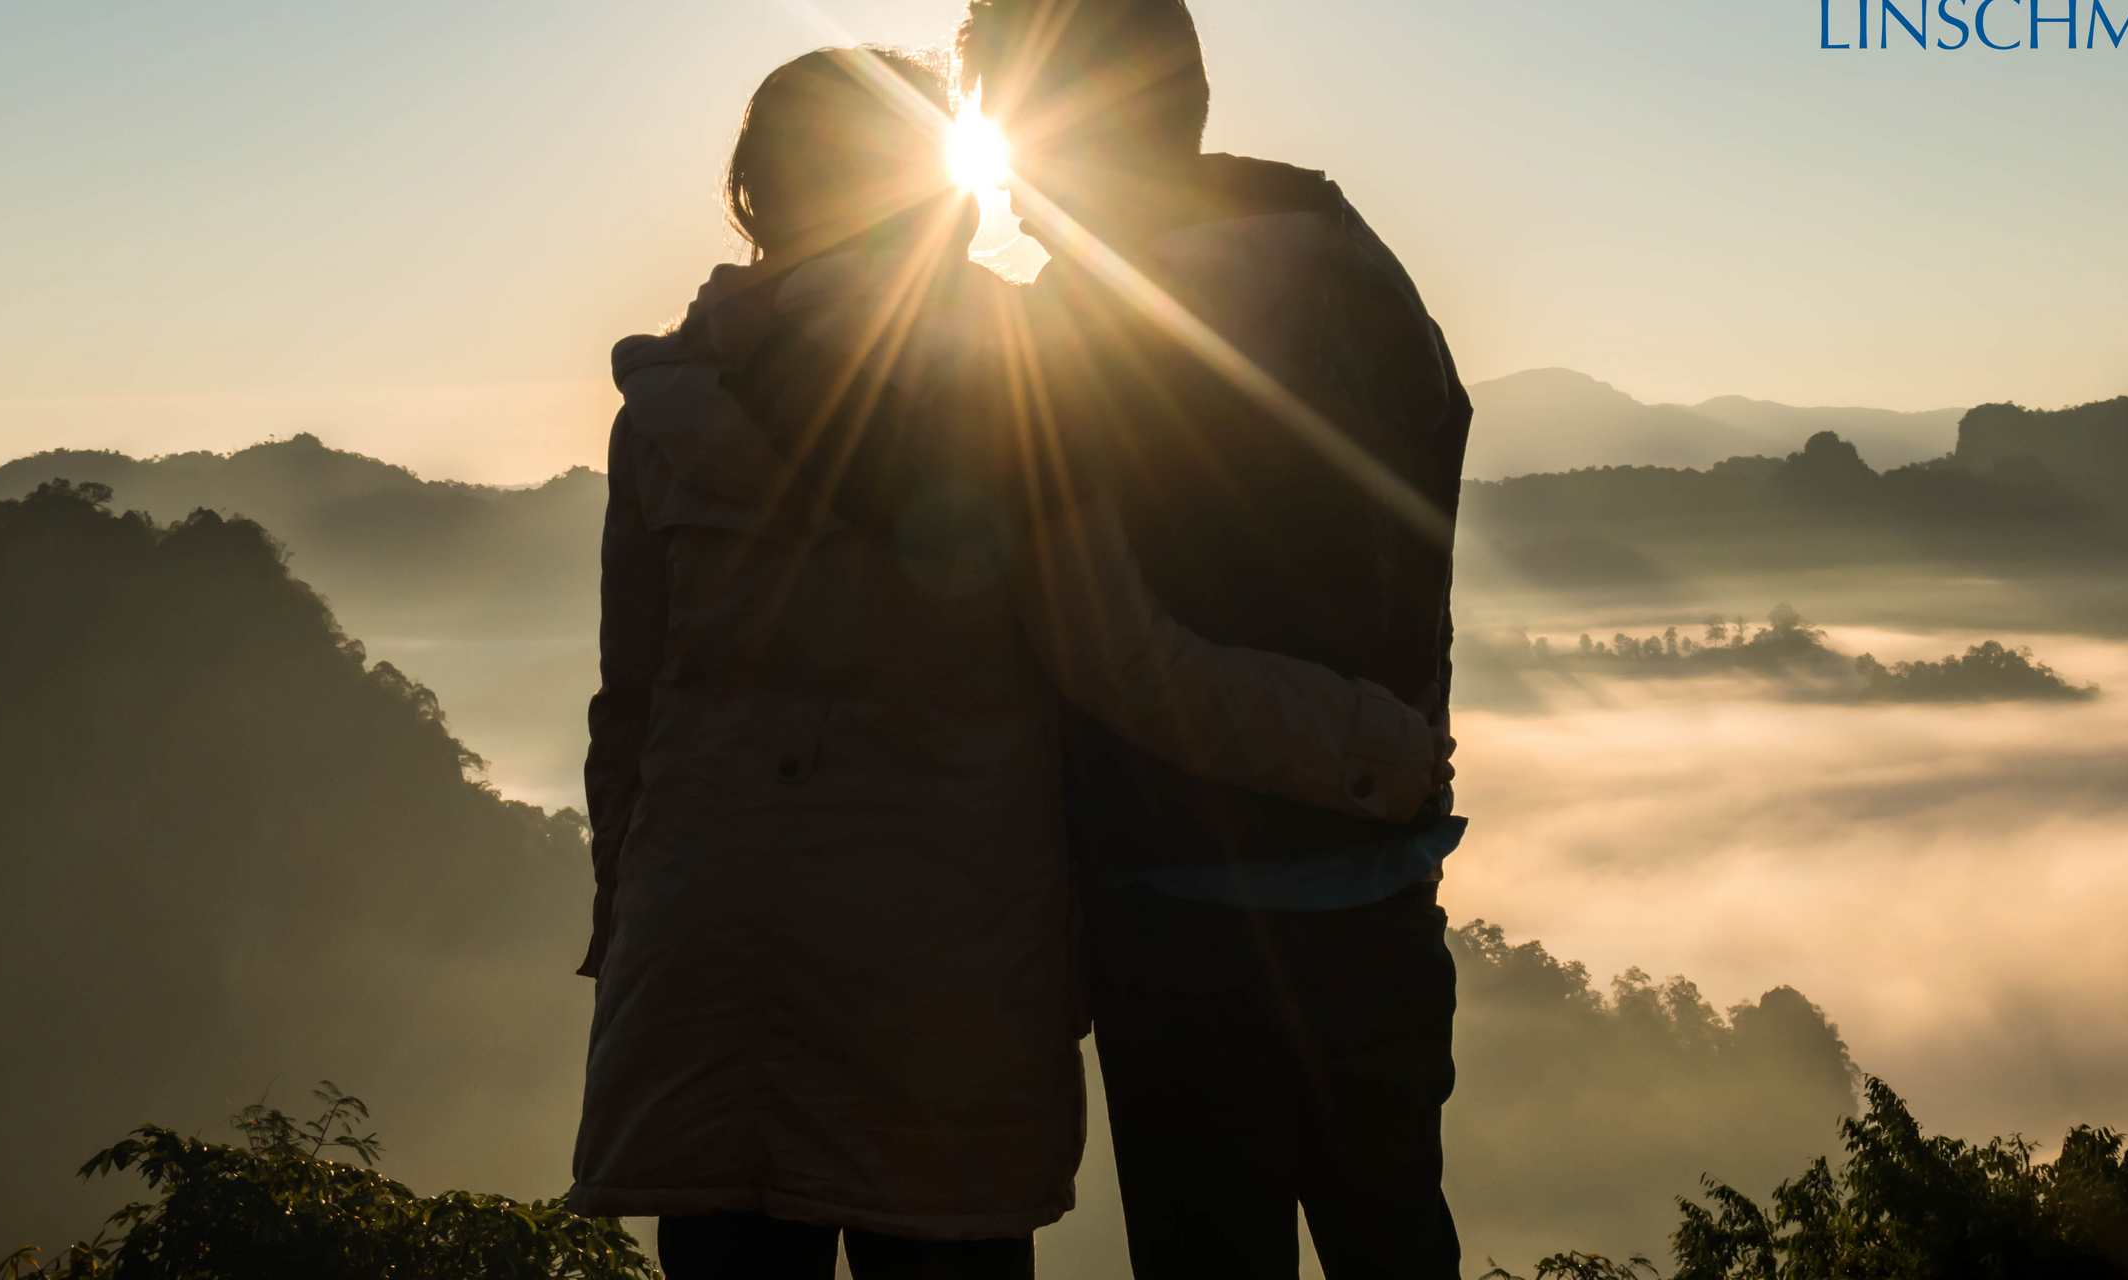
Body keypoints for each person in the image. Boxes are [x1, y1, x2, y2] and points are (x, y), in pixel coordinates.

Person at [568, 47, 1450, 1280]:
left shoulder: (663, 402)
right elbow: (1117, 657)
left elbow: (626, 716)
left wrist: (632, 928)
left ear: (753, 194)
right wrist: (1372, 748)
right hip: (936, 976)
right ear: (935, 190)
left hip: (701, 951)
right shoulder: (1008, 377)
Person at [957, 1, 1476, 1275]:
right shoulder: (1357, 263)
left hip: (1188, 915)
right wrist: (1395, 758)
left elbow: (1110, 651)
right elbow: (1410, 549)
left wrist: (1368, 752)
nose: (1008, 191)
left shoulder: (1067, 335)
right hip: (1380, 891)